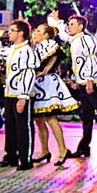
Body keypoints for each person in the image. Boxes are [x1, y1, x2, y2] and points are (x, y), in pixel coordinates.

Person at [48, 10, 97, 161]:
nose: (69, 27)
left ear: (80, 27)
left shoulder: (86, 39)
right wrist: (58, 21)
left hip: (92, 82)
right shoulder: (74, 39)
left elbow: (91, 60)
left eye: (72, 24)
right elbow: (63, 34)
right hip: (83, 83)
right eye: (69, 24)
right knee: (86, 116)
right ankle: (84, 147)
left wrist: (89, 80)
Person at [0, 21, 40, 172]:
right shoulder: (12, 49)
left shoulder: (27, 51)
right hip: (10, 93)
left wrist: (23, 96)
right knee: (10, 126)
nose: (9, 33)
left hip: (21, 95)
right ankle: (11, 156)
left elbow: (29, 74)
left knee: (23, 127)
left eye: (12, 30)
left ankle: (25, 159)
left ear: (21, 33)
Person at [30, 23, 78, 166]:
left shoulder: (49, 43)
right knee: (39, 119)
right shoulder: (37, 46)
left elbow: (55, 54)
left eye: (38, 31)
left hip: (47, 83)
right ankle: (44, 151)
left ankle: (62, 149)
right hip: (38, 84)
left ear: (46, 35)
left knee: (51, 118)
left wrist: (46, 70)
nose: (35, 32)